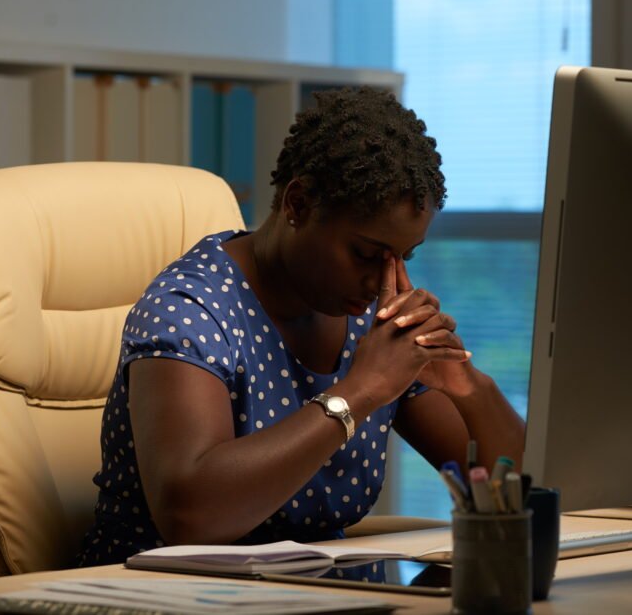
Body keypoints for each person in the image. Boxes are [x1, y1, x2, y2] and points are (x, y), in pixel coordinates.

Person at [77, 87, 525, 567]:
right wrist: (359, 393)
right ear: (299, 203)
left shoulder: (371, 322)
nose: (382, 283)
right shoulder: (189, 309)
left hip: (321, 593)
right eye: (366, 255)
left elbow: (513, 488)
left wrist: (468, 387)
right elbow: (192, 518)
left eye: (403, 258)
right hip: (169, 595)